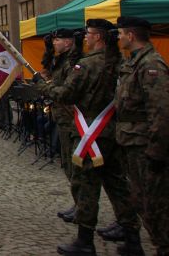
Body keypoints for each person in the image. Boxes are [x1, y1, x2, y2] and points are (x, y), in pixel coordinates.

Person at [42, 18, 139, 256]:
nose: (85, 37)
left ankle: (85, 240)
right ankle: (132, 238)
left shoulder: (86, 65)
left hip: (90, 132)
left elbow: (66, 94)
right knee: (117, 184)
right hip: (112, 131)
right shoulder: (120, 62)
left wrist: (44, 86)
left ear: (98, 37)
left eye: (88, 33)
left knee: (86, 186)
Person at [113, 16, 168, 255]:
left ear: (131, 35)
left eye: (120, 33)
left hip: (146, 145)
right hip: (132, 143)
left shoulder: (151, 65)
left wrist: (157, 151)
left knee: (156, 204)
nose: (118, 38)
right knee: (142, 200)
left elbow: (161, 111)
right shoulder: (133, 62)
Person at [38, 27, 83, 222]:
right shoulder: (61, 60)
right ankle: (79, 203)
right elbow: (49, 70)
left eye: (58, 40)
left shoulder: (73, 62)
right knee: (67, 163)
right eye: (54, 40)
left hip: (72, 119)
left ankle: (82, 206)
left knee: (74, 165)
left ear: (69, 42)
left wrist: (45, 86)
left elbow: (65, 90)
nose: (55, 43)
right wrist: (48, 49)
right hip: (62, 118)